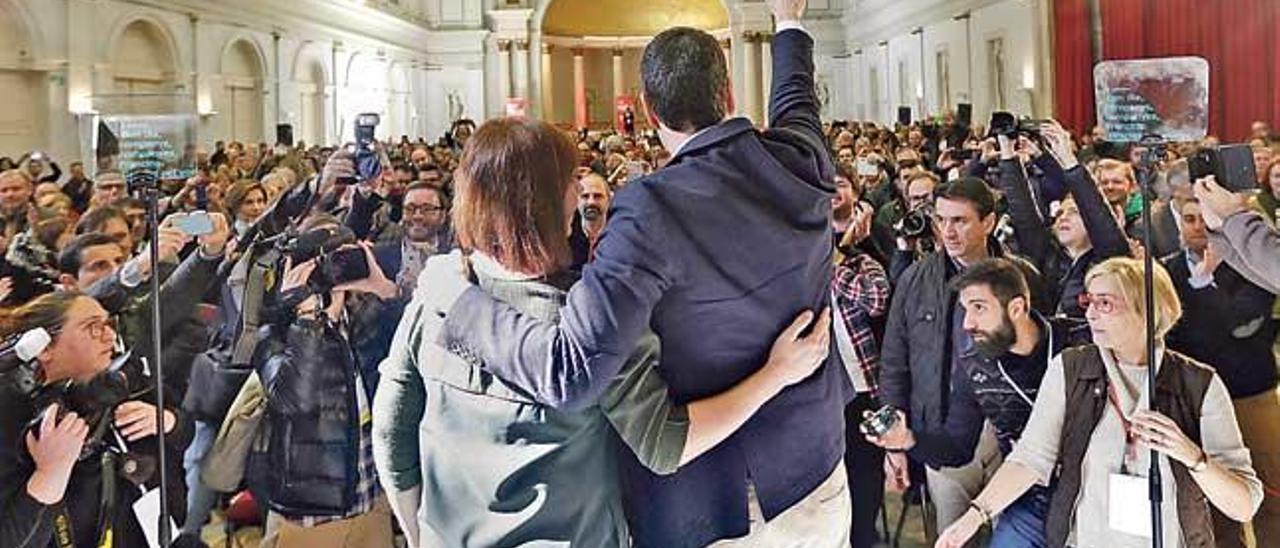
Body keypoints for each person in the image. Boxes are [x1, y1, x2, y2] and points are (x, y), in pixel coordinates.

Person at [427, 1, 851, 545]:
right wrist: (789, 22)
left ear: (648, 110)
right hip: (815, 474)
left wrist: (459, 303)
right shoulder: (802, 158)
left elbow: (570, 372)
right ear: (728, 94)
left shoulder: (645, 210)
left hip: (716, 505)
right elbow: (796, 98)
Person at [372, 117, 831, 548]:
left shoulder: (435, 296)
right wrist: (776, 374)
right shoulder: (592, 319)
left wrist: (418, 534)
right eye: (572, 179)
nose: (580, 190)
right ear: (546, 201)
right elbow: (666, 443)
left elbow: (392, 437)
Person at [937, 257, 1262, 548]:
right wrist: (972, 518)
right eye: (1087, 301)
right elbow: (1030, 459)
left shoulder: (1198, 384)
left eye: (1104, 303)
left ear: (1145, 309)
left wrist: (1194, 458)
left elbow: (1244, 504)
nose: (1089, 313)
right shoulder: (1071, 368)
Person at [880, 177, 1047, 537]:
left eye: (960, 220)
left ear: (988, 222)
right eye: (941, 220)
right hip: (941, 429)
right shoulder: (914, 280)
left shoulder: (1023, 277)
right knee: (953, 535)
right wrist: (894, 443)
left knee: (1018, 536)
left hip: (1016, 433)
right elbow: (894, 362)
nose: (948, 231)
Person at [871, 258, 1070, 547]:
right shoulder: (976, 368)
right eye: (965, 310)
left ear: (1017, 308)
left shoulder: (1076, 343)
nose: (967, 324)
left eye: (979, 308)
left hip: (1089, 489)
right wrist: (907, 439)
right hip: (1029, 498)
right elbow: (958, 449)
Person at [0, 291, 193, 548]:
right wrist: (49, 474)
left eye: (108, 324)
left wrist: (169, 421)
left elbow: (187, 430)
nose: (110, 336)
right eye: (92, 327)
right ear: (44, 347)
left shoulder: (131, 386)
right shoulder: (14, 422)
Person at [1162, 197, 1280, 547]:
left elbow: (1244, 325)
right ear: (1177, 224)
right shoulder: (1165, 272)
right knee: (1212, 502)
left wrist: (1204, 284)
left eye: (1204, 218)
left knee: (1271, 492)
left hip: (1251, 396)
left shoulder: (1250, 265)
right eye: (1189, 218)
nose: (1198, 226)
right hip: (1195, 404)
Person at [831, 193, 891, 548]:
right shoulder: (791, 276)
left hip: (864, 391)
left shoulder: (860, 264)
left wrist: (831, 266)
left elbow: (878, 299)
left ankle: (863, 538)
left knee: (865, 479)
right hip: (816, 397)